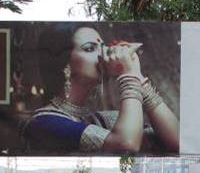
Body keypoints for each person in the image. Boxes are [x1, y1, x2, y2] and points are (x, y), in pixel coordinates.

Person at [24, 25, 180, 154]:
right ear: (64, 64)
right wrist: (128, 75)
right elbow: (126, 144)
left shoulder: (103, 120)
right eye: (90, 48)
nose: (104, 54)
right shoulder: (43, 123)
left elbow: (177, 142)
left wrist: (137, 76)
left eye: (103, 47)